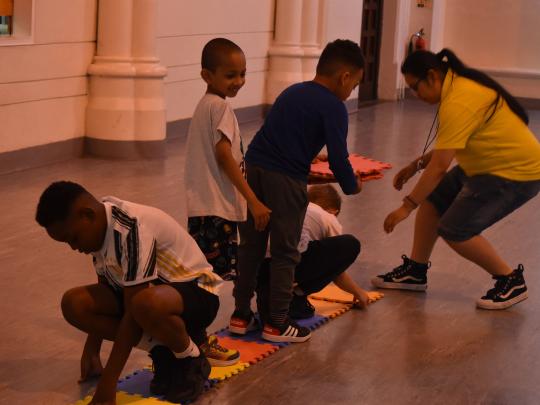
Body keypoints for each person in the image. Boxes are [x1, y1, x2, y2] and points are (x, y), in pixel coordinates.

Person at [372, 49, 540, 310]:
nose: (416, 96)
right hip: (485, 164)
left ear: (432, 77)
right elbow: (447, 147)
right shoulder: (458, 88)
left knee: (456, 229)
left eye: (415, 88)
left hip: (514, 172)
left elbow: (440, 166)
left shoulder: (459, 99)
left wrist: (406, 206)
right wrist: (416, 164)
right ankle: (416, 271)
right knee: (434, 201)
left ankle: (510, 280)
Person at [35, 181, 223, 404]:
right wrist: (92, 348)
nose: (73, 247)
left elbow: (134, 311)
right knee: (74, 304)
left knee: (143, 303)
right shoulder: (99, 225)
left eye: (73, 238)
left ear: (87, 215)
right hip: (155, 301)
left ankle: (191, 359)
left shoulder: (130, 228)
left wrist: (108, 384)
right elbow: (107, 286)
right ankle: (164, 352)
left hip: (199, 292)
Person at [230, 39, 364, 343]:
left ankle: (240, 315)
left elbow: (282, 136)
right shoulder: (334, 107)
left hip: (254, 169)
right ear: (344, 76)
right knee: (285, 251)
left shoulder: (293, 92)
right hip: (285, 179)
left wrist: (308, 155)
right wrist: (352, 185)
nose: (351, 91)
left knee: (250, 246)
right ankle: (277, 322)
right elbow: (341, 160)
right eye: (354, 84)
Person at [184, 38, 271, 365]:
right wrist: (253, 200)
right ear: (207, 75)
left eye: (243, 74)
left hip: (204, 209)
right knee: (208, 283)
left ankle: (193, 336)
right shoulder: (220, 108)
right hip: (216, 211)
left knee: (204, 276)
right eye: (230, 75)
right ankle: (199, 341)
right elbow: (224, 156)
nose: (239, 82)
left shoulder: (206, 105)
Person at [256, 184, 383, 323]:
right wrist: (358, 292)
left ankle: (272, 294)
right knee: (351, 245)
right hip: (286, 265)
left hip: (259, 269)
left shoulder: (295, 205)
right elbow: (337, 269)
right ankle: (295, 295)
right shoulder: (328, 217)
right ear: (334, 211)